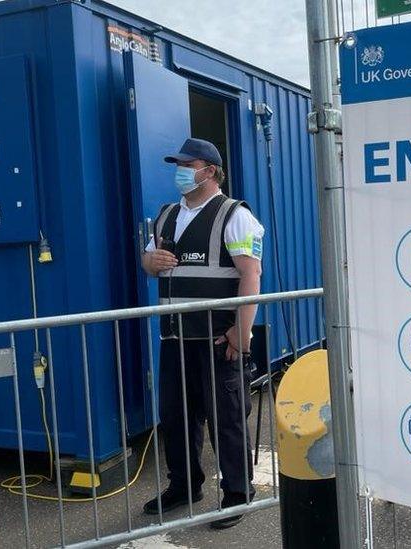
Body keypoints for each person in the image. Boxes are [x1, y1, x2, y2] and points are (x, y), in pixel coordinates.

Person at [140, 138, 265, 529]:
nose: (179, 171)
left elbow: (251, 276)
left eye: (186, 164)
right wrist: (150, 261)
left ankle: (238, 494)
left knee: (225, 419)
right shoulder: (166, 216)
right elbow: (148, 263)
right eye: (178, 164)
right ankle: (184, 486)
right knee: (175, 418)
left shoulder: (235, 215)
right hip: (175, 339)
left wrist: (240, 336)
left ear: (209, 171)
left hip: (217, 340)